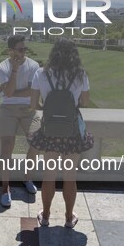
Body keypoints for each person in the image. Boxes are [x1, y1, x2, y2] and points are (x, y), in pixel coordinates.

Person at [28, 39, 92, 229]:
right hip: (72, 131)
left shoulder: (41, 73)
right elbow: (85, 102)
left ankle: (46, 215)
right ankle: (68, 217)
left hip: (50, 132)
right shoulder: (81, 75)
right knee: (70, 177)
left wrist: (48, 109)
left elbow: (34, 104)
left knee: (49, 175)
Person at [0, 34, 40, 207]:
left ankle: (27, 177)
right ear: (11, 51)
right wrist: (14, 70)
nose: (23, 52)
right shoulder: (2, 67)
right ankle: (5, 188)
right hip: (7, 110)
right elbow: (7, 94)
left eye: (24, 49)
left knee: (36, 142)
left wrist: (10, 91)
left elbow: (30, 91)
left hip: (28, 109)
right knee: (7, 149)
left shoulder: (33, 65)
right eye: (20, 49)